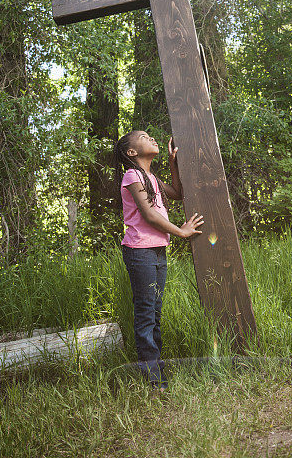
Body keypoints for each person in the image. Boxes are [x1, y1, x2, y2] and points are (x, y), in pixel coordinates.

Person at [113, 130, 204, 391]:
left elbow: (175, 192)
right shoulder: (132, 176)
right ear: (132, 153)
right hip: (139, 252)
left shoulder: (151, 177)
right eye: (144, 137)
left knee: (154, 312)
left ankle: (157, 373)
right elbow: (150, 215)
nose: (151, 138)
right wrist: (182, 231)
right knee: (145, 314)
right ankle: (154, 381)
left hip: (157, 251)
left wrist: (173, 163)